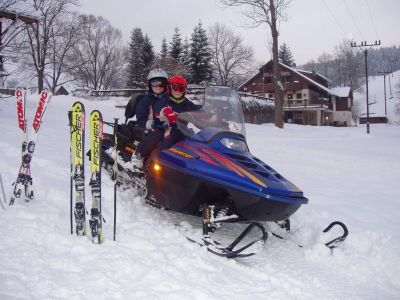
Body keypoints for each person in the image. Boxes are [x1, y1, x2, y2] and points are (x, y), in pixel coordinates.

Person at [131, 75, 201, 170]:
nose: (177, 91)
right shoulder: (164, 100)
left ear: (185, 90)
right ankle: (142, 158)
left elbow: (198, 111)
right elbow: (159, 109)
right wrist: (166, 112)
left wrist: (213, 116)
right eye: (174, 87)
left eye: (181, 88)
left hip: (181, 130)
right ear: (169, 88)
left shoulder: (187, 103)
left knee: (194, 142)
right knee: (160, 140)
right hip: (163, 128)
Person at [123, 68, 169, 142]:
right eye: (154, 83)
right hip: (150, 132)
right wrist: (150, 124)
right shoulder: (145, 101)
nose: (158, 87)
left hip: (168, 131)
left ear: (166, 85)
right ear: (150, 85)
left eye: (161, 84)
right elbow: (140, 119)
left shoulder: (169, 100)